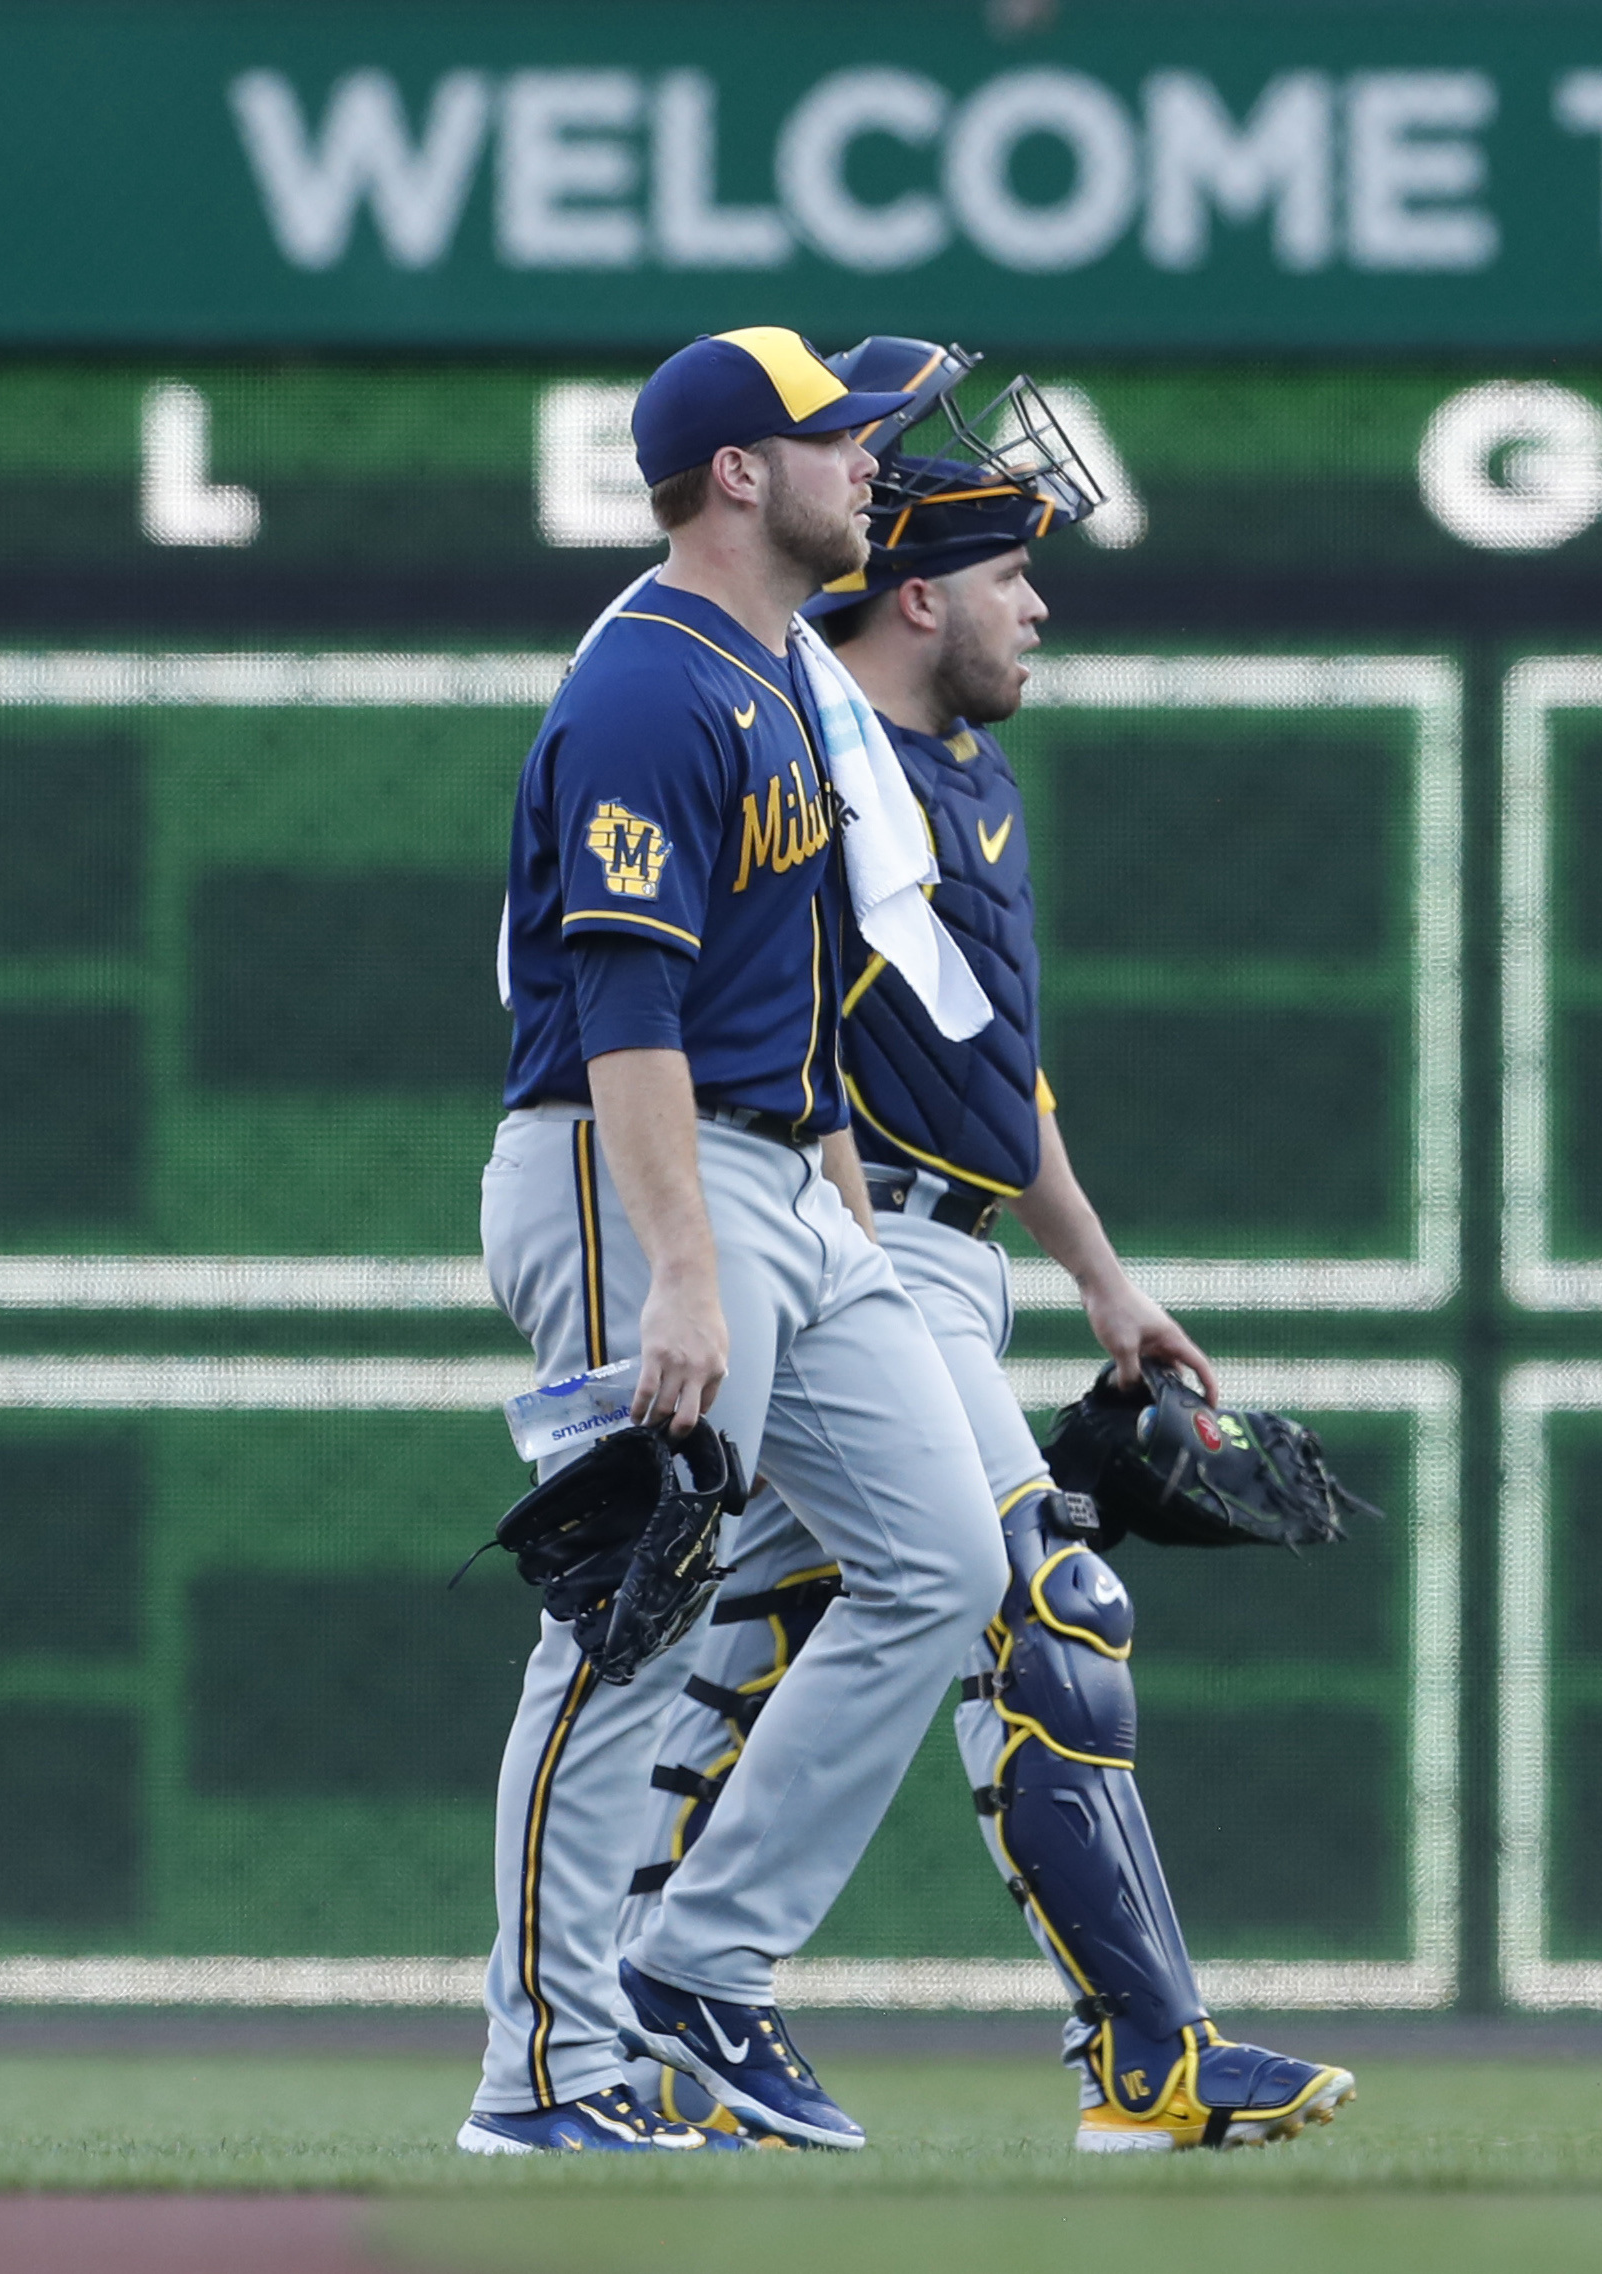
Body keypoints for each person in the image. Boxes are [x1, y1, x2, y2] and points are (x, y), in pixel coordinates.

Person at [621, 339, 1355, 2153]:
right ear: (920, 589)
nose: (1040, 605)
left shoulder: (959, 777)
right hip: (835, 1227)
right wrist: (819, 1239)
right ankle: (1142, 2054)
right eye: (1015, 571)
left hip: (951, 1251)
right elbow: (734, 1002)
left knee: (767, 1638)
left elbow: (997, 1064)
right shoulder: (815, 739)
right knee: (1042, 1594)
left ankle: (650, 2027)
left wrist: (1101, 1276)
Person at [461, 329, 1005, 2155]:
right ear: (737, 474)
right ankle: (544, 2069)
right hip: (636, 1170)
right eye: (838, 433)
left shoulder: (776, 676)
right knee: (624, 1617)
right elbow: (625, 1002)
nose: (872, 459)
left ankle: (699, 1957)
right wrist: (685, 1266)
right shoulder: (650, 685)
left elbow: (780, 991)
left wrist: (831, 1196)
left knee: (945, 1559)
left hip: (782, 1175)